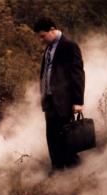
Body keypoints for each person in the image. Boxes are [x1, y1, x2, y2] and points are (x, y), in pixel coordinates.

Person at [33, 17, 85, 172]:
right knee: (52, 137)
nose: (41, 39)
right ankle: (57, 168)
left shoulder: (69, 46)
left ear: (52, 29)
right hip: (49, 101)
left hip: (64, 101)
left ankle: (75, 169)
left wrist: (78, 101)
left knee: (66, 137)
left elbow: (77, 74)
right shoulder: (49, 47)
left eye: (43, 36)